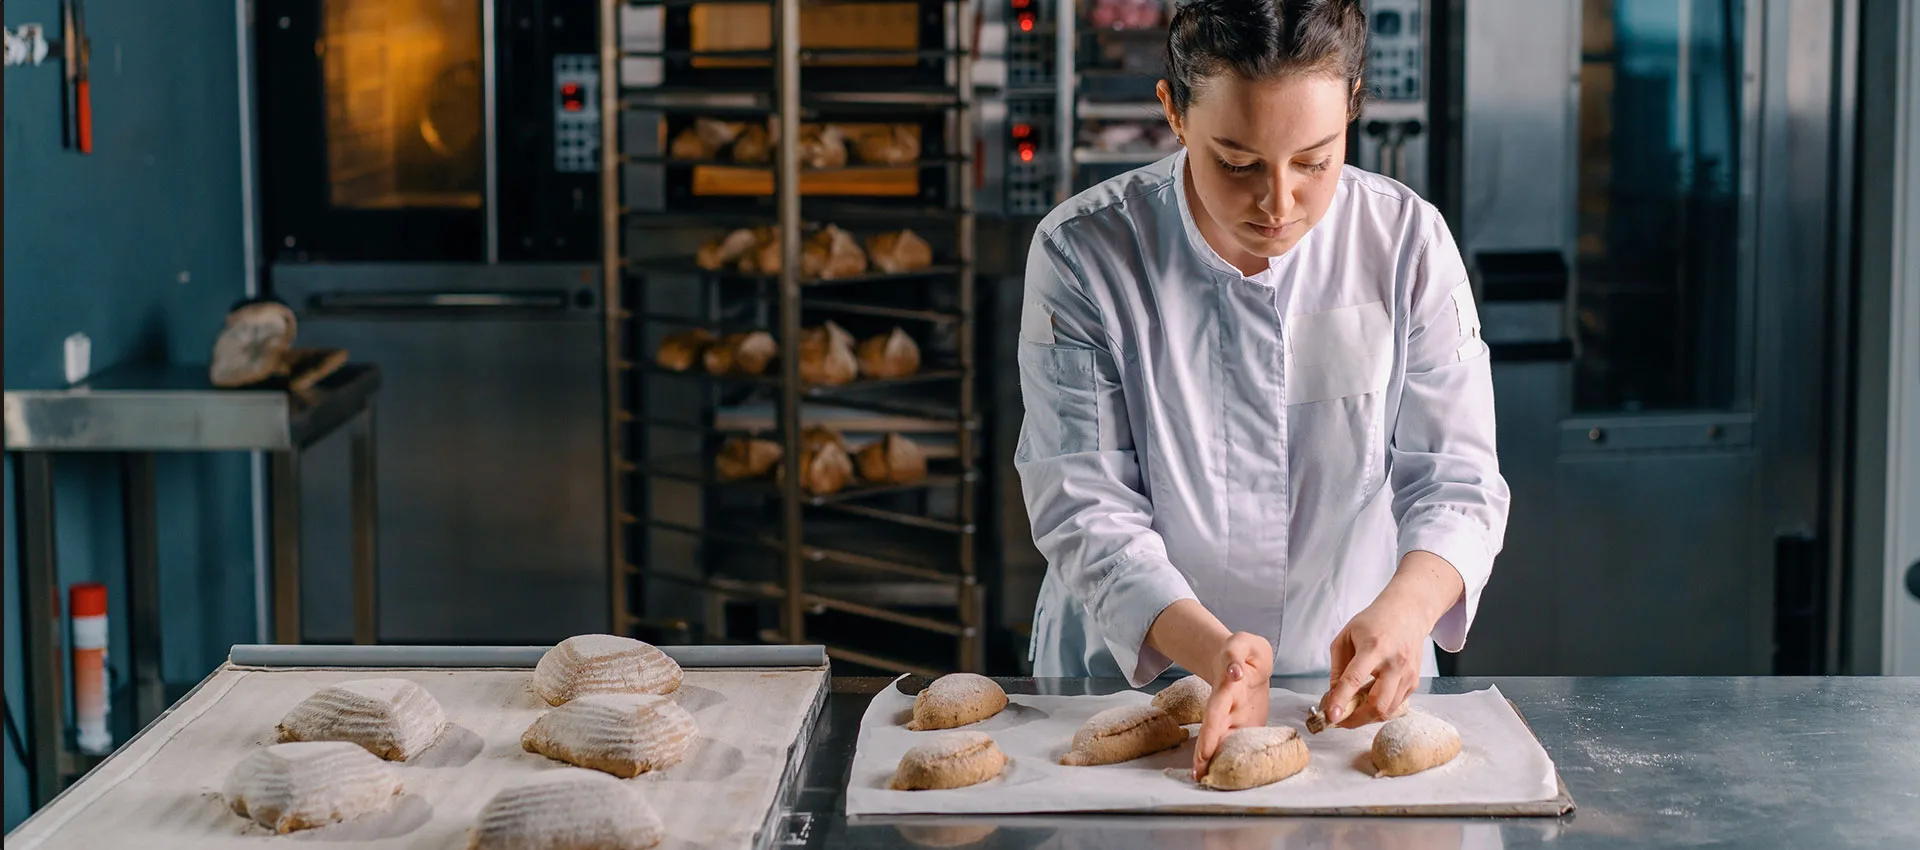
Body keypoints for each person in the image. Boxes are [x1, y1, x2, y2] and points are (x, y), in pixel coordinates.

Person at [1014, 0, 1510, 780]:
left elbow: (1459, 480)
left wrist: (1408, 610)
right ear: (1173, 113)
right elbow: (1084, 501)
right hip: (1131, 679)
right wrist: (1218, 658)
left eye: (1315, 161)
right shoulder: (1085, 253)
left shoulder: (1406, 244)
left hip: (1352, 681)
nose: (1278, 204)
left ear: (1351, 104)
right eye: (1238, 163)